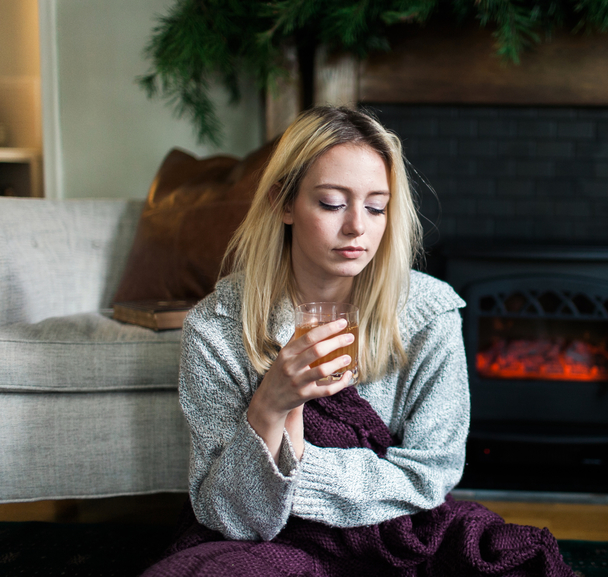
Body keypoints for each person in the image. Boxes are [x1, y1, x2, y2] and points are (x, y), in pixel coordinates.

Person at [144, 106, 572, 576]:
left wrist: (297, 472)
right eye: (331, 203)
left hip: (393, 531)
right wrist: (269, 407)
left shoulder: (429, 313)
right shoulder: (217, 327)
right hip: (275, 540)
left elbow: (430, 475)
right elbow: (231, 516)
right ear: (282, 204)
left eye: (376, 207)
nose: (357, 228)